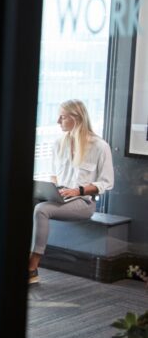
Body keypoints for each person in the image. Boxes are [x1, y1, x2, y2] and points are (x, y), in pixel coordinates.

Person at [29, 99, 113, 284]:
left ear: (76, 118)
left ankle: (32, 267)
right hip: (60, 197)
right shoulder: (59, 143)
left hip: (84, 202)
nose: (58, 121)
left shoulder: (99, 146)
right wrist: (53, 190)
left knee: (42, 210)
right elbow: (54, 176)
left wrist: (77, 191)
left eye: (63, 117)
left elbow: (107, 183)